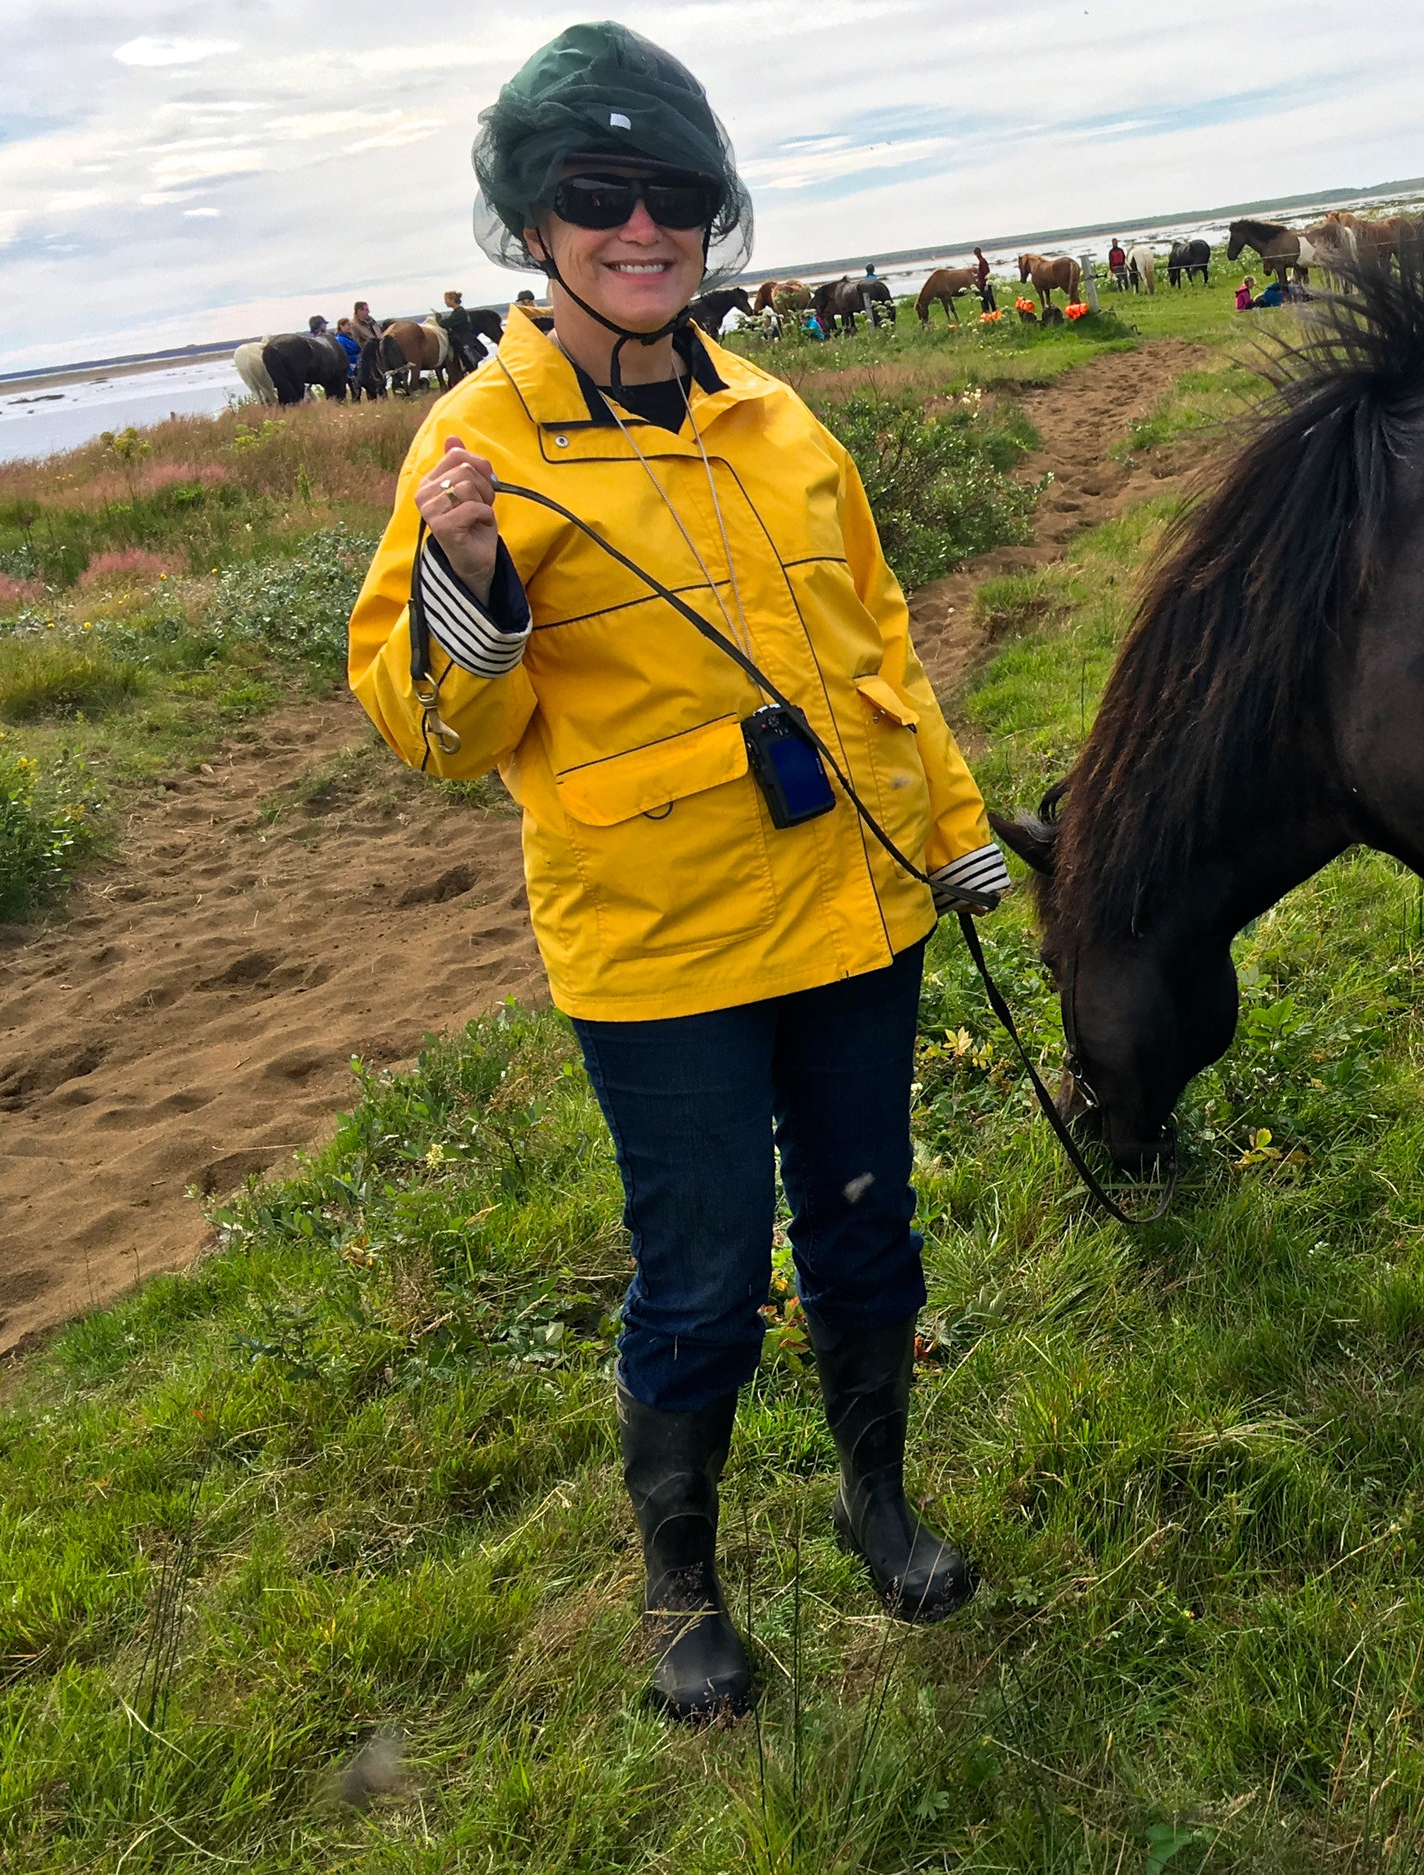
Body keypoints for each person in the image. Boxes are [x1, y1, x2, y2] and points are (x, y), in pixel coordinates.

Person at [345, 19, 1008, 1724]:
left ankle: (878, 1502)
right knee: (702, 1273)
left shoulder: (784, 421)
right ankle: (681, 1589)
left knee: (868, 1240)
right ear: (533, 224)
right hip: (666, 959)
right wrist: (472, 579)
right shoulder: (474, 447)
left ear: (715, 219)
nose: (643, 231)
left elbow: (884, 657)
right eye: (598, 196)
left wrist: (954, 836)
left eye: (678, 197)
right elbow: (439, 738)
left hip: (858, 918)